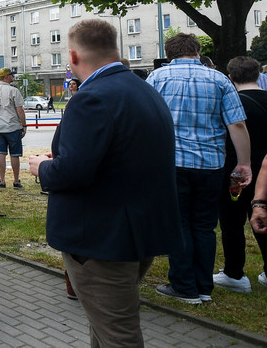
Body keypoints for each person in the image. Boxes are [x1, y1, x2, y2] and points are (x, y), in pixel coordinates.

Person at [28, 20, 180, 346]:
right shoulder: (144, 89)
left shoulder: (91, 98)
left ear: (72, 55)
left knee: (118, 336)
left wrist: (42, 167)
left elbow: (74, 172)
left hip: (101, 241)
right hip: (136, 233)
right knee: (104, 329)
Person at [146, 33, 252, 304]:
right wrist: (243, 163)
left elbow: (145, 122)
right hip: (210, 164)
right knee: (205, 226)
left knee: (179, 224)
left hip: (172, 164)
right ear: (197, 50)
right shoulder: (220, 80)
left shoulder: (156, 79)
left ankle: (183, 286)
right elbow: (237, 125)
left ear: (169, 54)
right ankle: (204, 286)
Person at [216, 56, 267, 293]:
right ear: (258, 75)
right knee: (263, 220)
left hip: (236, 171)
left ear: (231, 77)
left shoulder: (233, 103)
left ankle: (234, 273)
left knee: (232, 223)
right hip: (265, 172)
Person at [0, 67, 27, 188]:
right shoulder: (14, 91)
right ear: (7, 77)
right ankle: (16, 180)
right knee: (15, 154)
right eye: (11, 75)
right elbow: (20, 110)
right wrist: (24, 125)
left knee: (0, 153)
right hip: (13, 126)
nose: (13, 77)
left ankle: (1, 180)